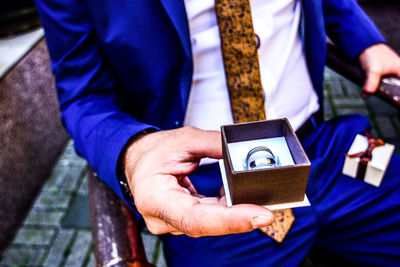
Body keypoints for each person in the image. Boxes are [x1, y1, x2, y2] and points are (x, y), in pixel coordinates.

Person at [35, 0, 400, 265]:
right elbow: (84, 95)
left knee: (388, 171)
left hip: (327, 148)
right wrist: (133, 151)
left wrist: (365, 39)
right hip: (208, 189)